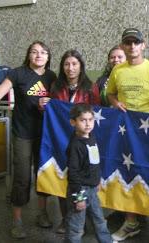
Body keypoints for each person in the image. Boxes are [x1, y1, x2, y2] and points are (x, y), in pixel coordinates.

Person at [107, 27, 149, 243]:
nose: (132, 46)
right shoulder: (117, 71)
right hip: (127, 132)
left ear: (143, 45)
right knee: (128, 174)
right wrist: (116, 103)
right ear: (123, 46)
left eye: (136, 42)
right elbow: (110, 94)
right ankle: (131, 223)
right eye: (128, 43)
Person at [0, 41, 57, 239]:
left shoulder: (51, 76)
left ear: (48, 57)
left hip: (44, 134)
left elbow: (60, 102)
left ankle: (42, 212)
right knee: (22, 177)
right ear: (28, 55)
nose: (38, 55)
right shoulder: (17, 73)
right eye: (34, 52)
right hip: (22, 133)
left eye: (43, 52)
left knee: (42, 174)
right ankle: (17, 219)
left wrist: (51, 103)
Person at [39, 49, 101, 234]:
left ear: (81, 66)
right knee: (63, 175)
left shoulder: (90, 87)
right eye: (67, 64)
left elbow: (96, 113)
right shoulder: (56, 87)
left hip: (83, 141)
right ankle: (66, 219)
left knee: (85, 177)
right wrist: (43, 106)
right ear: (62, 67)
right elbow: (52, 114)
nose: (70, 68)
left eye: (74, 64)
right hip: (61, 139)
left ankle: (85, 218)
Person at [65, 103, 113, 243]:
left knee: (100, 220)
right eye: (83, 120)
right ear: (73, 122)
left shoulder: (91, 137)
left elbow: (94, 163)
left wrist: (97, 181)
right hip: (80, 191)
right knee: (76, 226)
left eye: (90, 120)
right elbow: (73, 173)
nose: (88, 124)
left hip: (92, 189)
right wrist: (79, 197)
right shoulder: (75, 145)